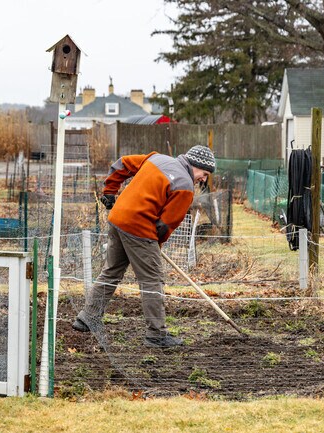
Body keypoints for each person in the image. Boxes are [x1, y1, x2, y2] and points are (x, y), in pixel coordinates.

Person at [72, 145, 216, 348]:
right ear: (195, 165)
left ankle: (87, 318)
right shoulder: (185, 186)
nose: (203, 179)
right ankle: (157, 334)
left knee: (111, 272)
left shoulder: (157, 159)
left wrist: (110, 192)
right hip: (138, 228)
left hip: (117, 219)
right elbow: (165, 225)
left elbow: (122, 164)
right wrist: (154, 247)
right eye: (204, 173)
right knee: (152, 280)